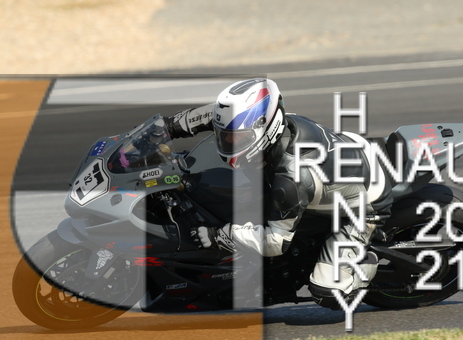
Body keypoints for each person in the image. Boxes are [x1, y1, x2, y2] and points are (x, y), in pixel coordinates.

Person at [161, 78, 393, 308]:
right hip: (345, 161)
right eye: (224, 135)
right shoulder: (270, 122)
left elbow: (275, 243)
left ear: (264, 129)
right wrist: (166, 127)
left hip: (366, 205)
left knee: (327, 292)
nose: (228, 141)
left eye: (237, 138)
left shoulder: (291, 179)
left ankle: (364, 261)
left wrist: (221, 235)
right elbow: (213, 116)